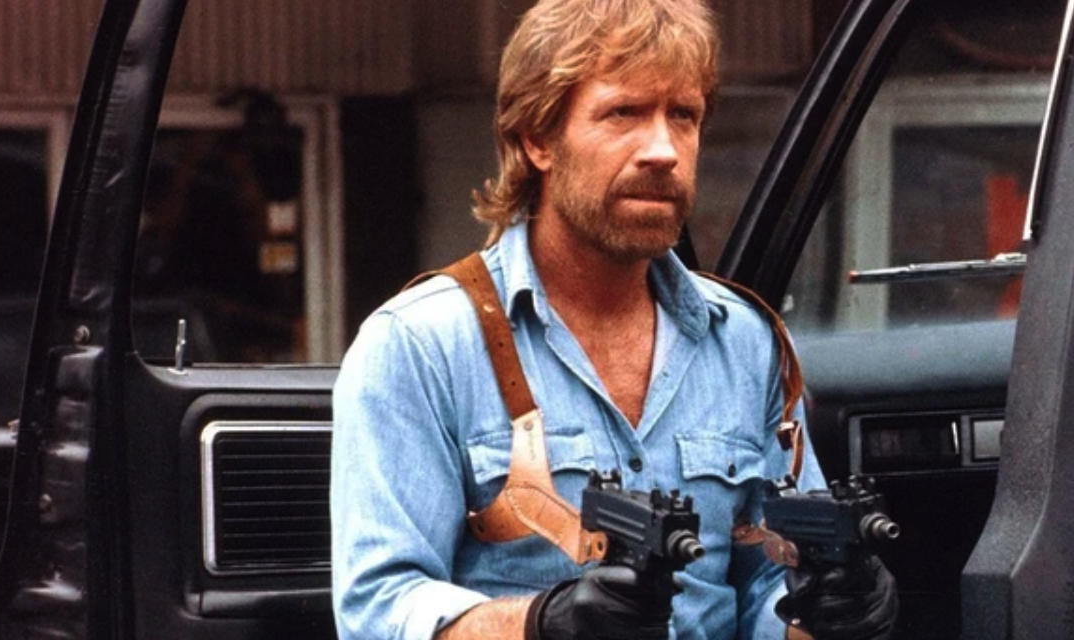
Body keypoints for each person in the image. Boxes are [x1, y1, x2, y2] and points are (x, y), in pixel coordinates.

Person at [329, 1, 899, 639]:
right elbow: (378, 610)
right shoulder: (421, 346)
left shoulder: (744, 342)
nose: (663, 150)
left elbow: (767, 583)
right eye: (623, 113)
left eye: (683, 116)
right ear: (538, 139)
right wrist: (544, 624)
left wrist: (824, 611)